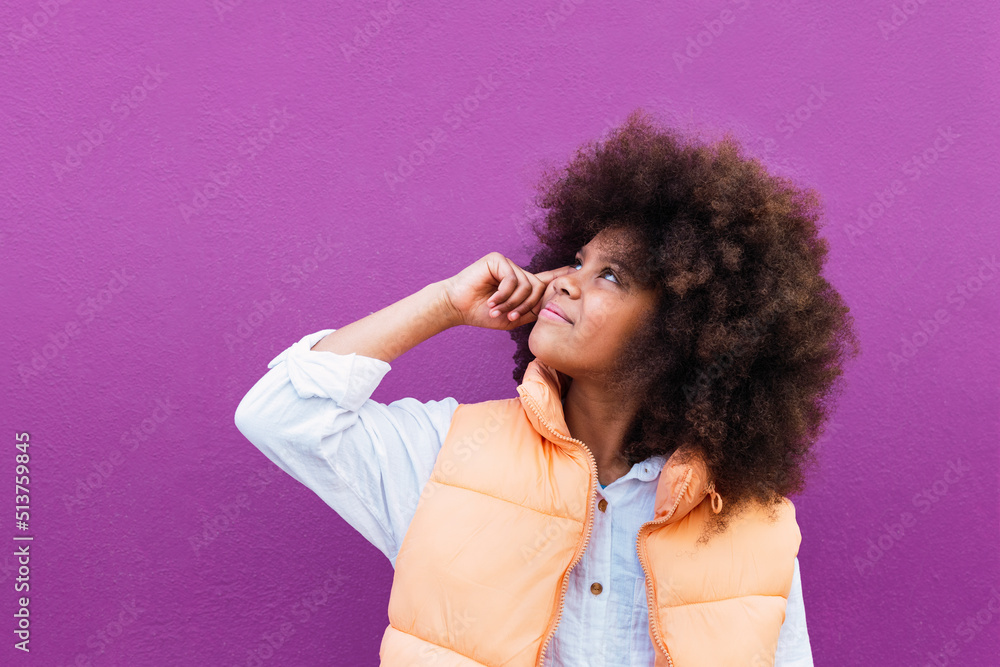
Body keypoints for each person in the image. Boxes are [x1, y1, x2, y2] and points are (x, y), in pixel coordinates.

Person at [235, 109, 858, 666]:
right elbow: (280, 414)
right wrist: (445, 304)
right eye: (577, 261)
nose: (562, 281)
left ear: (687, 328)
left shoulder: (755, 521)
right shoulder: (448, 455)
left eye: (611, 275)